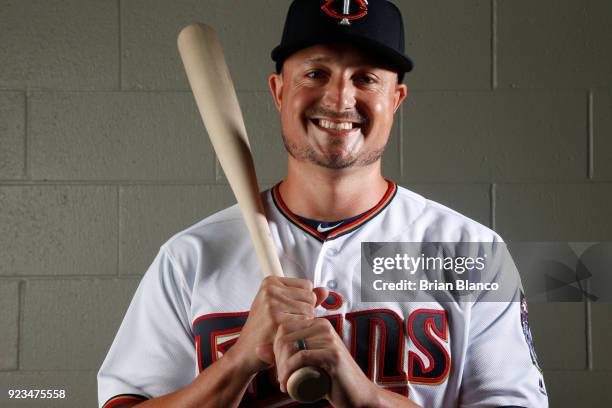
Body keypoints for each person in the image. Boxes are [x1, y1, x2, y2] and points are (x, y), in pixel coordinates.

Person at [98, 1, 549, 407]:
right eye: (316, 73)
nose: (339, 99)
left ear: (396, 99)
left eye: (366, 78)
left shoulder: (470, 252)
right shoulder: (191, 256)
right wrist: (237, 363)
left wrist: (366, 397)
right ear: (278, 91)